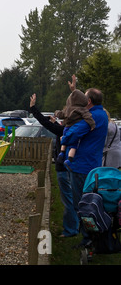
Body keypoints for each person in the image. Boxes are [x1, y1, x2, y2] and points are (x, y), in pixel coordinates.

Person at [60, 85, 108, 246]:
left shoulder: (92, 117)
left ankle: (88, 239)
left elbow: (73, 134)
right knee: (91, 202)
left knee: (82, 204)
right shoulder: (102, 114)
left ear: (88, 101)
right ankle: (93, 236)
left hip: (81, 166)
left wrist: (65, 138)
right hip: (92, 164)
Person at [29, 93, 79, 237]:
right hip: (71, 167)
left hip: (64, 168)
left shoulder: (65, 130)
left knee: (68, 200)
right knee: (73, 197)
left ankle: (71, 229)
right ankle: (76, 226)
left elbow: (46, 124)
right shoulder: (73, 129)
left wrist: (33, 108)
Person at [55, 89, 95, 170]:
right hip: (74, 127)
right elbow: (88, 116)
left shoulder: (68, 109)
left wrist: (56, 112)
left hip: (66, 128)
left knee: (64, 142)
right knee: (73, 145)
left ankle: (62, 153)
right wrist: (92, 125)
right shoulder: (81, 109)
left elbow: (61, 114)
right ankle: (69, 160)